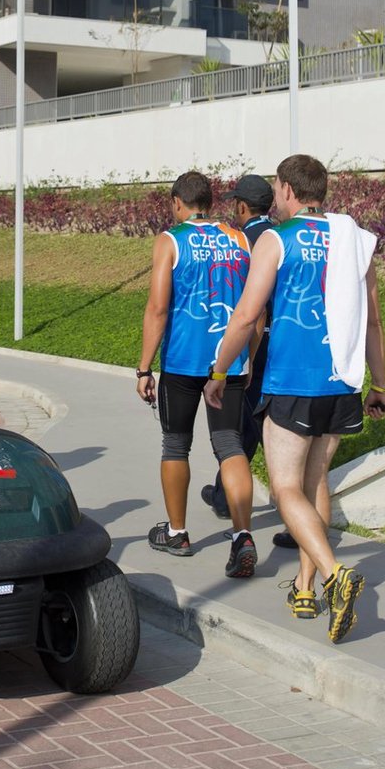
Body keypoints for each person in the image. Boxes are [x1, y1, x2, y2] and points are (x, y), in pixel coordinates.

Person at [204, 154, 385, 644]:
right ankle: (305, 590)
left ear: (286, 190)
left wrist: (220, 370)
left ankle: (335, 576)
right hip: (343, 381)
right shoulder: (355, 240)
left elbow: (246, 315)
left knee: (285, 488)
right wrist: (380, 384)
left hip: (291, 380)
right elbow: (372, 320)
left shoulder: (276, 238)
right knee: (315, 483)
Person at [136, 171, 258, 579]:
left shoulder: (170, 240)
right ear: (210, 201)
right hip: (229, 361)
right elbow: (255, 310)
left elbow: (157, 308)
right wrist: (249, 357)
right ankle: (243, 535)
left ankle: (177, 533)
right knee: (230, 445)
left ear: (177, 203)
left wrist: (143, 367)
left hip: (183, 362)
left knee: (175, 445)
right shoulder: (240, 239)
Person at [203, 174, 275, 524]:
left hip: (255, 339)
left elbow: (250, 308)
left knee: (250, 424)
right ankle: (222, 494)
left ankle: (288, 505)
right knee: (252, 424)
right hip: (287, 339)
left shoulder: (242, 242)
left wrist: (243, 353)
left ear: (242, 206)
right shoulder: (281, 235)